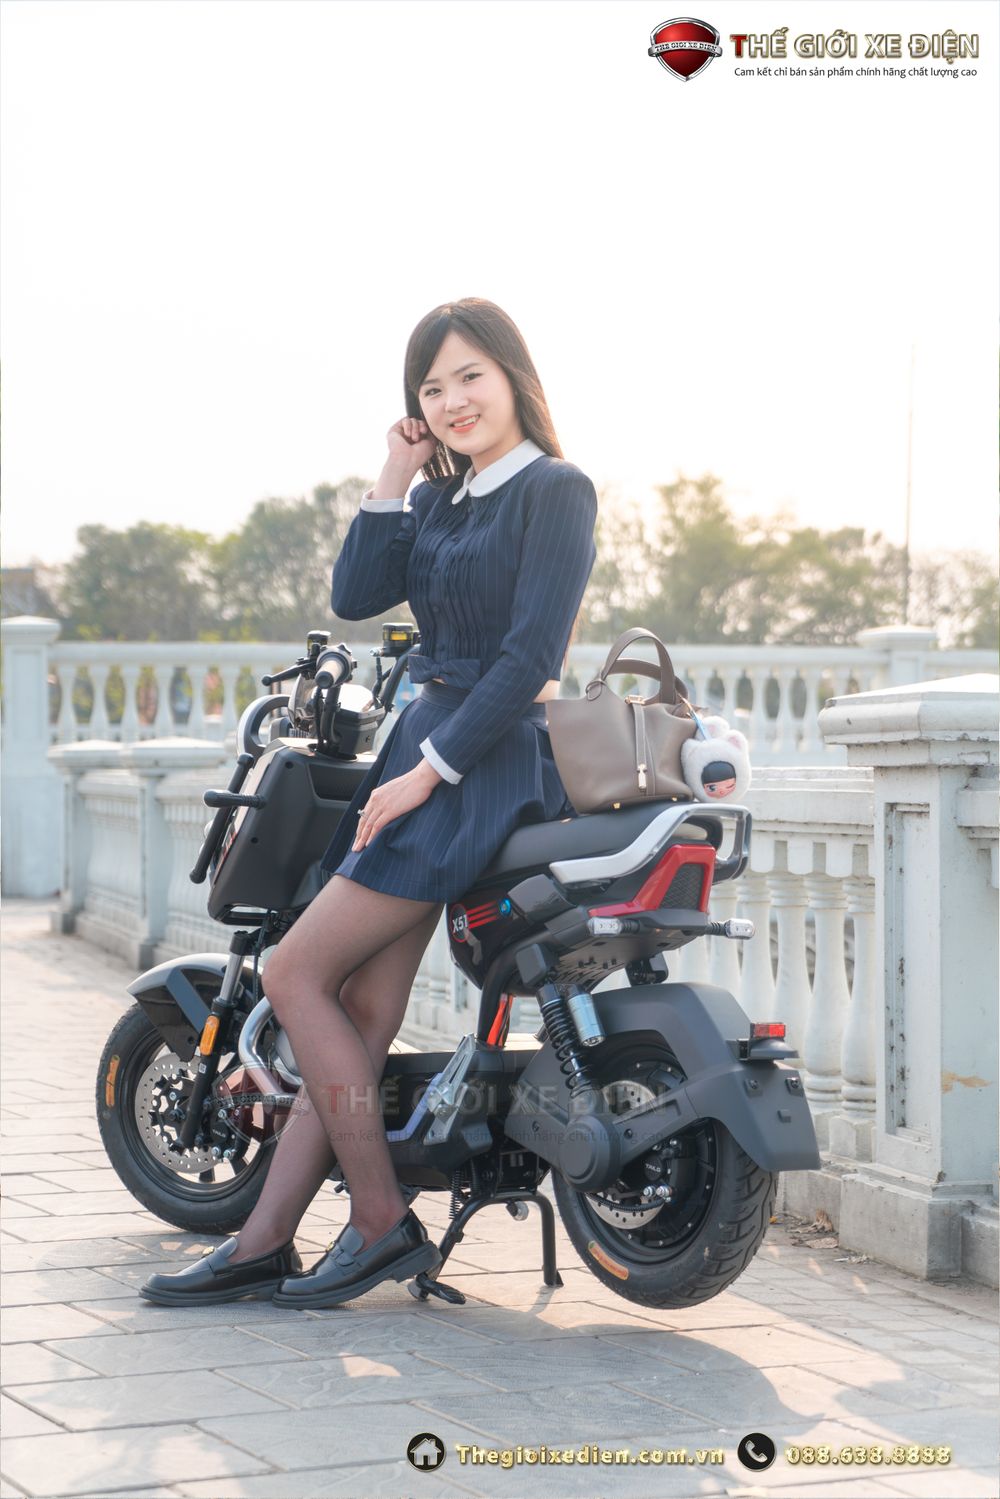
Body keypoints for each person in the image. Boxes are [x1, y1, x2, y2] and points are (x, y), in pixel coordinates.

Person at [141, 297, 598, 1308]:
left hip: (481, 758)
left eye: (470, 376)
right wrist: (394, 472)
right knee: (361, 1006)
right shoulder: (440, 498)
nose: (453, 401)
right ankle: (265, 1239)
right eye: (431, 388)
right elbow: (353, 594)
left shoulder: (556, 490)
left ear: (514, 377)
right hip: (427, 748)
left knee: (295, 968)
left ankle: (381, 1219)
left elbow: (529, 659)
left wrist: (429, 770)